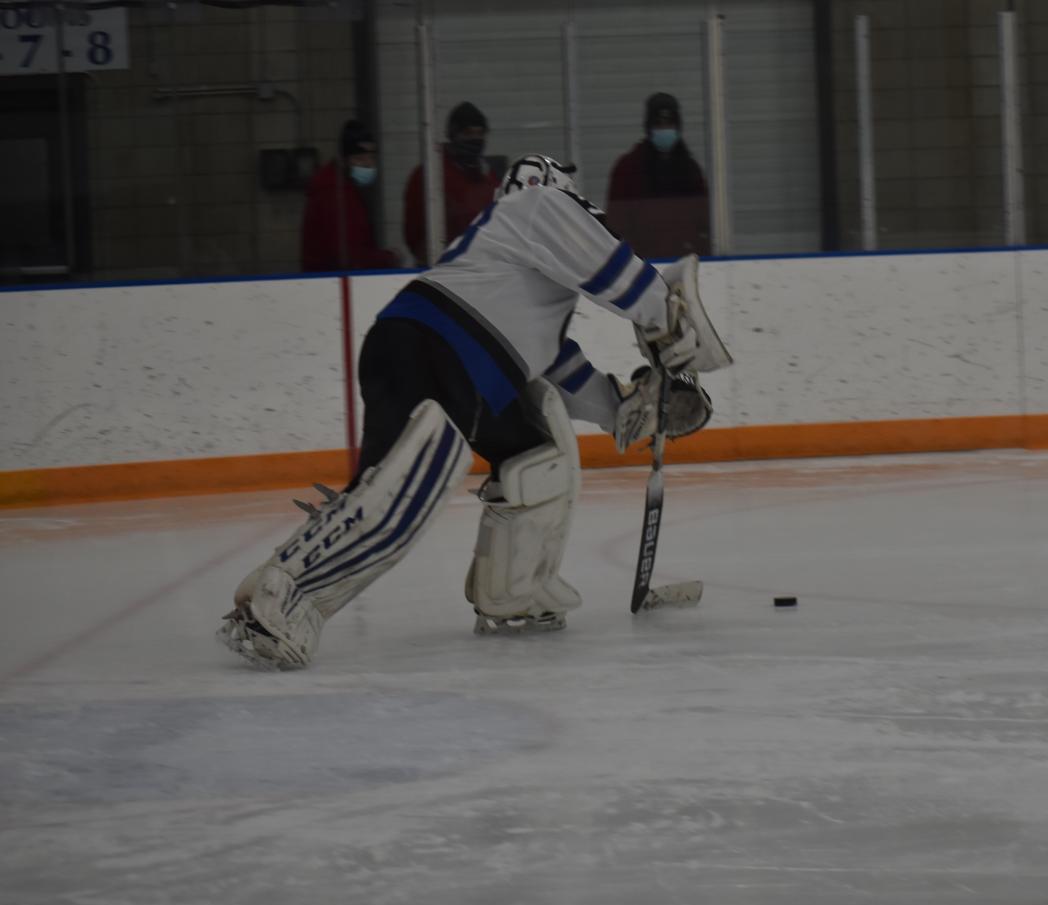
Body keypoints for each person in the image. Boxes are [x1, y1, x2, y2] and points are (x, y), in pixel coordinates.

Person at [220, 155, 732, 671]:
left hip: (465, 365)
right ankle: (279, 598)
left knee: (539, 457)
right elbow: (614, 273)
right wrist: (667, 323)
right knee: (400, 491)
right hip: (433, 347)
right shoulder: (537, 206)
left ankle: (514, 591)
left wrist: (626, 407)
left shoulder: (516, 274)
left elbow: (558, 365)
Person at [606, 92, 710, 257]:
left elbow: (703, 225)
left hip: (684, 262)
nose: (665, 129)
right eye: (659, 124)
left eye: (670, 124)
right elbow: (617, 226)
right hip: (641, 266)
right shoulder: (628, 168)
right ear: (649, 127)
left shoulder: (691, 171)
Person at [403, 101, 504, 263]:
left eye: (480, 133)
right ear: (453, 135)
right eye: (468, 133)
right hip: (443, 267)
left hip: (484, 267)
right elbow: (414, 233)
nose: (475, 139)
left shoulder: (489, 176)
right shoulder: (429, 175)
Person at [301, 120, 399, 272]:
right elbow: (349, 257)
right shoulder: (334, 193)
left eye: (371, 157)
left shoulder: (345, 189)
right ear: (344, 160)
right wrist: (387, 258)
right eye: (359, 158)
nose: (367, 164)